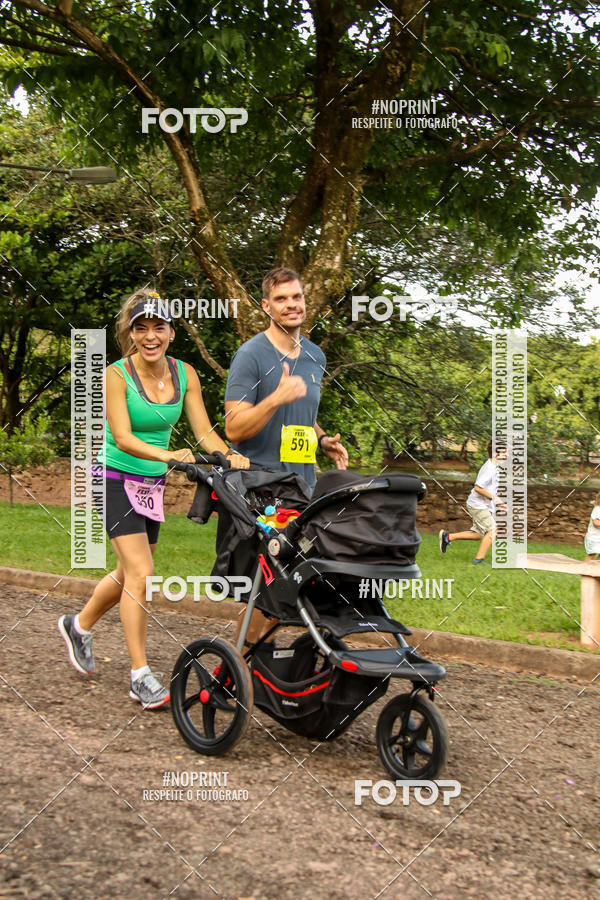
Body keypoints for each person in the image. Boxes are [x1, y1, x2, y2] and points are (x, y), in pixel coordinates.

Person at [58, 289, 249, 709]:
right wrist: (170, 456)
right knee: (142, 572)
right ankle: (139, 676)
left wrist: (229, 456)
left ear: (171, 332)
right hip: (112, 476)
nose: (149, 336)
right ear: (129, 333)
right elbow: (123, 437)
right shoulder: (116, 375)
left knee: (130, 573)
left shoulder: (186, 374)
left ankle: (79, 624)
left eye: (157, 327)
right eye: (140, 328)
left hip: (150, 485)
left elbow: (203, 433)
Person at [224, 266, 348, 644]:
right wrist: (275, 397)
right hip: (261, 488)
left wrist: (323, 440)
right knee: (270, 588)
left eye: (296, 297)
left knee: (296, 585)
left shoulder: (314, 356)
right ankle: (237, 669)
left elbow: (303, 418)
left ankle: (252, 665)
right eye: (281, 299)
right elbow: (233, 427)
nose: (291, 305)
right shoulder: (251, 356)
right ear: (266, 306)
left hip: (303, 486)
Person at [439, 441, 507, 564]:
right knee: (493, 530)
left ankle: (448, 537)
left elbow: (489, 490)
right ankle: (479, 559)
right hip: (477, 505)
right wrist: (495, 499)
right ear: (496, 453)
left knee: (478, 534)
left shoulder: (494, 467)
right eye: (504, 452)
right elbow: (478, 487)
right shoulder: (489, 468)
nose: (507, 455)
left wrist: (499, 503)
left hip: (481, 504)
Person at [584, 493, 600, 561]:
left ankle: (595, 570)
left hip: (598, 537)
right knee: (591, 555)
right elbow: (595, 522)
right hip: (593, 538)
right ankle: (583, 570)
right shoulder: (598, 509)